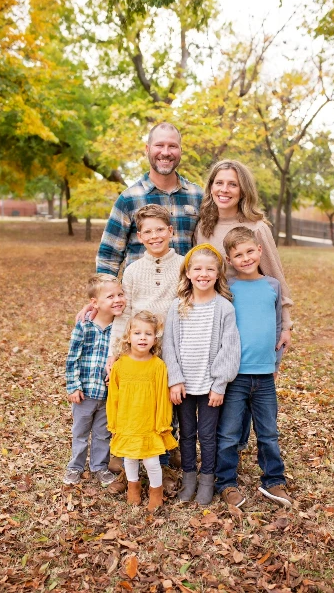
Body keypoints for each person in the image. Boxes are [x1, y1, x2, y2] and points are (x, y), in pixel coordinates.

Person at [195, 159, 293, 458]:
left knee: (245, 382)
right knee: (219, 383)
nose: (225, 189)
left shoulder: (256, 227)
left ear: (243, 190)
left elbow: (275, 274)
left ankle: (236, 445)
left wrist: (286, 323)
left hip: (249, 321)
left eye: (232, 184)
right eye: (219, 182)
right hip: (212, 317)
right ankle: (223, 446)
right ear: (211, 186)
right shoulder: (203, 226)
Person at [105, 203, 184, 496]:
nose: (154, 236)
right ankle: (129, 463)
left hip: (170, 346)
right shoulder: (134, 270)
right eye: (147, 231)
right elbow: (123, 314)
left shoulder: (184, 265)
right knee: (133, 405)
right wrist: (115, 352)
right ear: (139, 236)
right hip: (137, 348)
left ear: (170, 231)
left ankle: (162, 462)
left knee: (163, 405)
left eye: (159, 230)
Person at [215, 227, 292, 508]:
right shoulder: (227, 289)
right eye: (238, 254)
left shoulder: (273, 286)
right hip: (235, 375)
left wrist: (275, 364)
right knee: (229, 433)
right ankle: (226, 483)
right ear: (229, 259)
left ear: (259, 250)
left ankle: (274, 480)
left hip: (264, 376)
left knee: (268, 432)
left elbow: (276, 327)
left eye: (250, 251)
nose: (246, 258)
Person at [162, 244, 241, 506]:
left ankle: (207, 479)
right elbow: (168, 346)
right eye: (197, 268)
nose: (203, 274)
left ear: (218, 274)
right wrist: (174, 379)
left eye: (210, 269)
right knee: (186, 434)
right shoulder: (177, 306)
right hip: (182, 386)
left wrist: (219, 384)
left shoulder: (224, 308)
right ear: (187, 273)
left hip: (209, 387)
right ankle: (189, 479)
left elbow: (229, 349)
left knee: (207, 435)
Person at [96, 122, 203, 276]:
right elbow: (108, 257)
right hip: (141, 295)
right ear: (147, 149)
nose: (165, 152)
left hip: (186, 295)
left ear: (180, 150)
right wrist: (105, 295)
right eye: (159, 145)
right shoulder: (128, 199)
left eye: (172, 146)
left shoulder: (198, 196)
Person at [106, 311, 178, 511]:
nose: (142, 338)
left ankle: (156, 491)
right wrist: (114, 422)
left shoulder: (158, 366)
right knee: (129, 459)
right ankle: (133, 488)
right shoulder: (120, 366)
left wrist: (163, 423)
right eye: (137, 333)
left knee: (152, 462)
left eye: (148, 334)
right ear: (128, 336)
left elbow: (164, 399)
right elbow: (113, 397)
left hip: (149, 424)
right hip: (127, 422)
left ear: (155, 339)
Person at [63, 275, 126, 486]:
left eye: (120, 294)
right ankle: (75, 467)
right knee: (80, 432)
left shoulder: (122, 328)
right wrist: (73, 386)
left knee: (103, 434)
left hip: (108, 395)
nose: (117, 299)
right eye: (110, 296)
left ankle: (99, 467)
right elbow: (72, 358)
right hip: (85, 393)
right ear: (95, 303)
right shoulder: (84, 326)